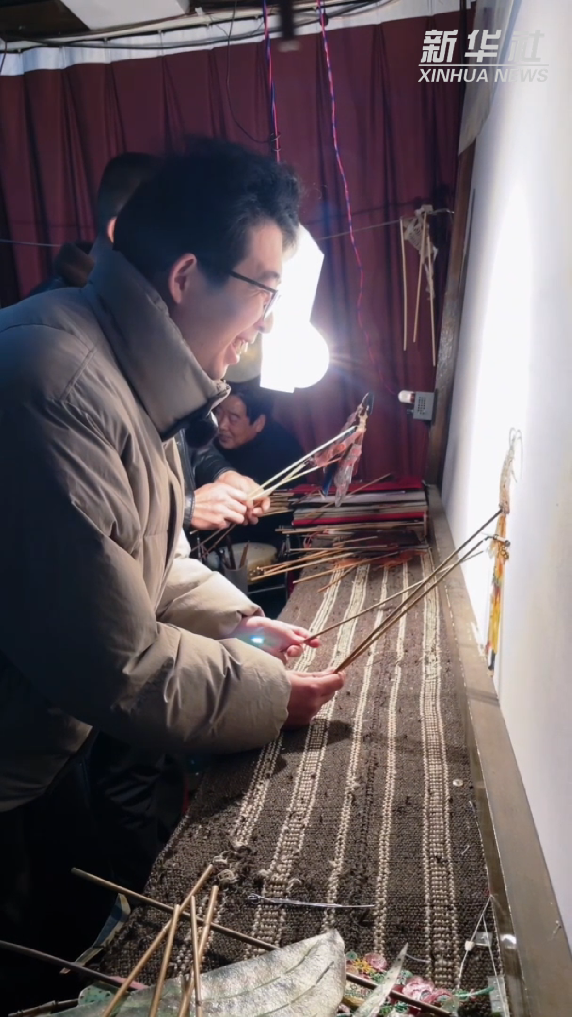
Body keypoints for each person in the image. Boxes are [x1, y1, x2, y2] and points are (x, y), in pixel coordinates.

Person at [0, 138, 345, 1008]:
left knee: (79, 934)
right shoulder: (55, 383)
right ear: (188, 276)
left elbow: (150, 556)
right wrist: (270, 693)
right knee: (37, 975)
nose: (266, 321)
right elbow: (113, 660)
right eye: (264, 290)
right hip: (9, 767)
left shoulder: (127, 367)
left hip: (42, 748)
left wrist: (236, 623)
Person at [215, 380, 303, 485]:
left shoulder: (285, 456)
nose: (222, 425)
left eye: (233, 418)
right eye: (218, 413)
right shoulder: (207, 437)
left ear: (259, 423)